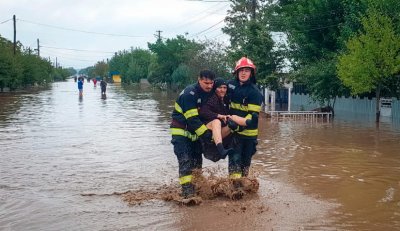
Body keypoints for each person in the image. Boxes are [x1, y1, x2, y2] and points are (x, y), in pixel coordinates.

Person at [170, 70, 215, 199]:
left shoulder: (208, 93)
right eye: (206, 83)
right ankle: (187, 193)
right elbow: (193, 120)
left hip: (194, 134)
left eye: (211, 83)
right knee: (186, 161)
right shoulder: (189, 94)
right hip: (181, 133)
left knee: (197, 162)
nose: (209, 86)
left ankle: (197, 188)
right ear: (199, 79)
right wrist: (207, 136)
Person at [199, 78, 259, 162]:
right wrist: (218, 116)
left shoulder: (225, 100)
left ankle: (250, 122)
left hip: (221, 132)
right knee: (216, 122)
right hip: (209, 132)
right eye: (219, 88)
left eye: (224, 88)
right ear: (215, 88)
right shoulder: (212, 99)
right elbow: (203, 112)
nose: (222, 90)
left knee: (232, 117)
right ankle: (221, 149)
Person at [227, 57, 263, 181]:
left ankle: (243, 187)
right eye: (241, 70)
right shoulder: (229, 86)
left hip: (249, 135)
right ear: (236, 72)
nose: (243, 73)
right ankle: (234, 190)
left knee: (245, 166)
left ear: (251, 73)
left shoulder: (255, 92)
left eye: (247, 70)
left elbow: (252, 116)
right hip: (234, 134)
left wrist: (238, 125)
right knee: (234, 162)